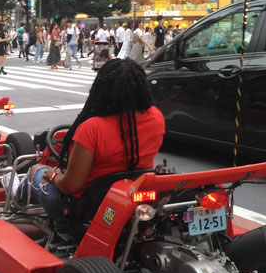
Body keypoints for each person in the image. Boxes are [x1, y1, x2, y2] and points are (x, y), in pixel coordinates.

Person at [23, 58, 165, 233]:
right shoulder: (156, 117)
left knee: (36, 171)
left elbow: (70, 186)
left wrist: (52, 176)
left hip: (87, 208)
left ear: (103, 90)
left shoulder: (92, 128)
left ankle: (17, 194)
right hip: (128, 198)